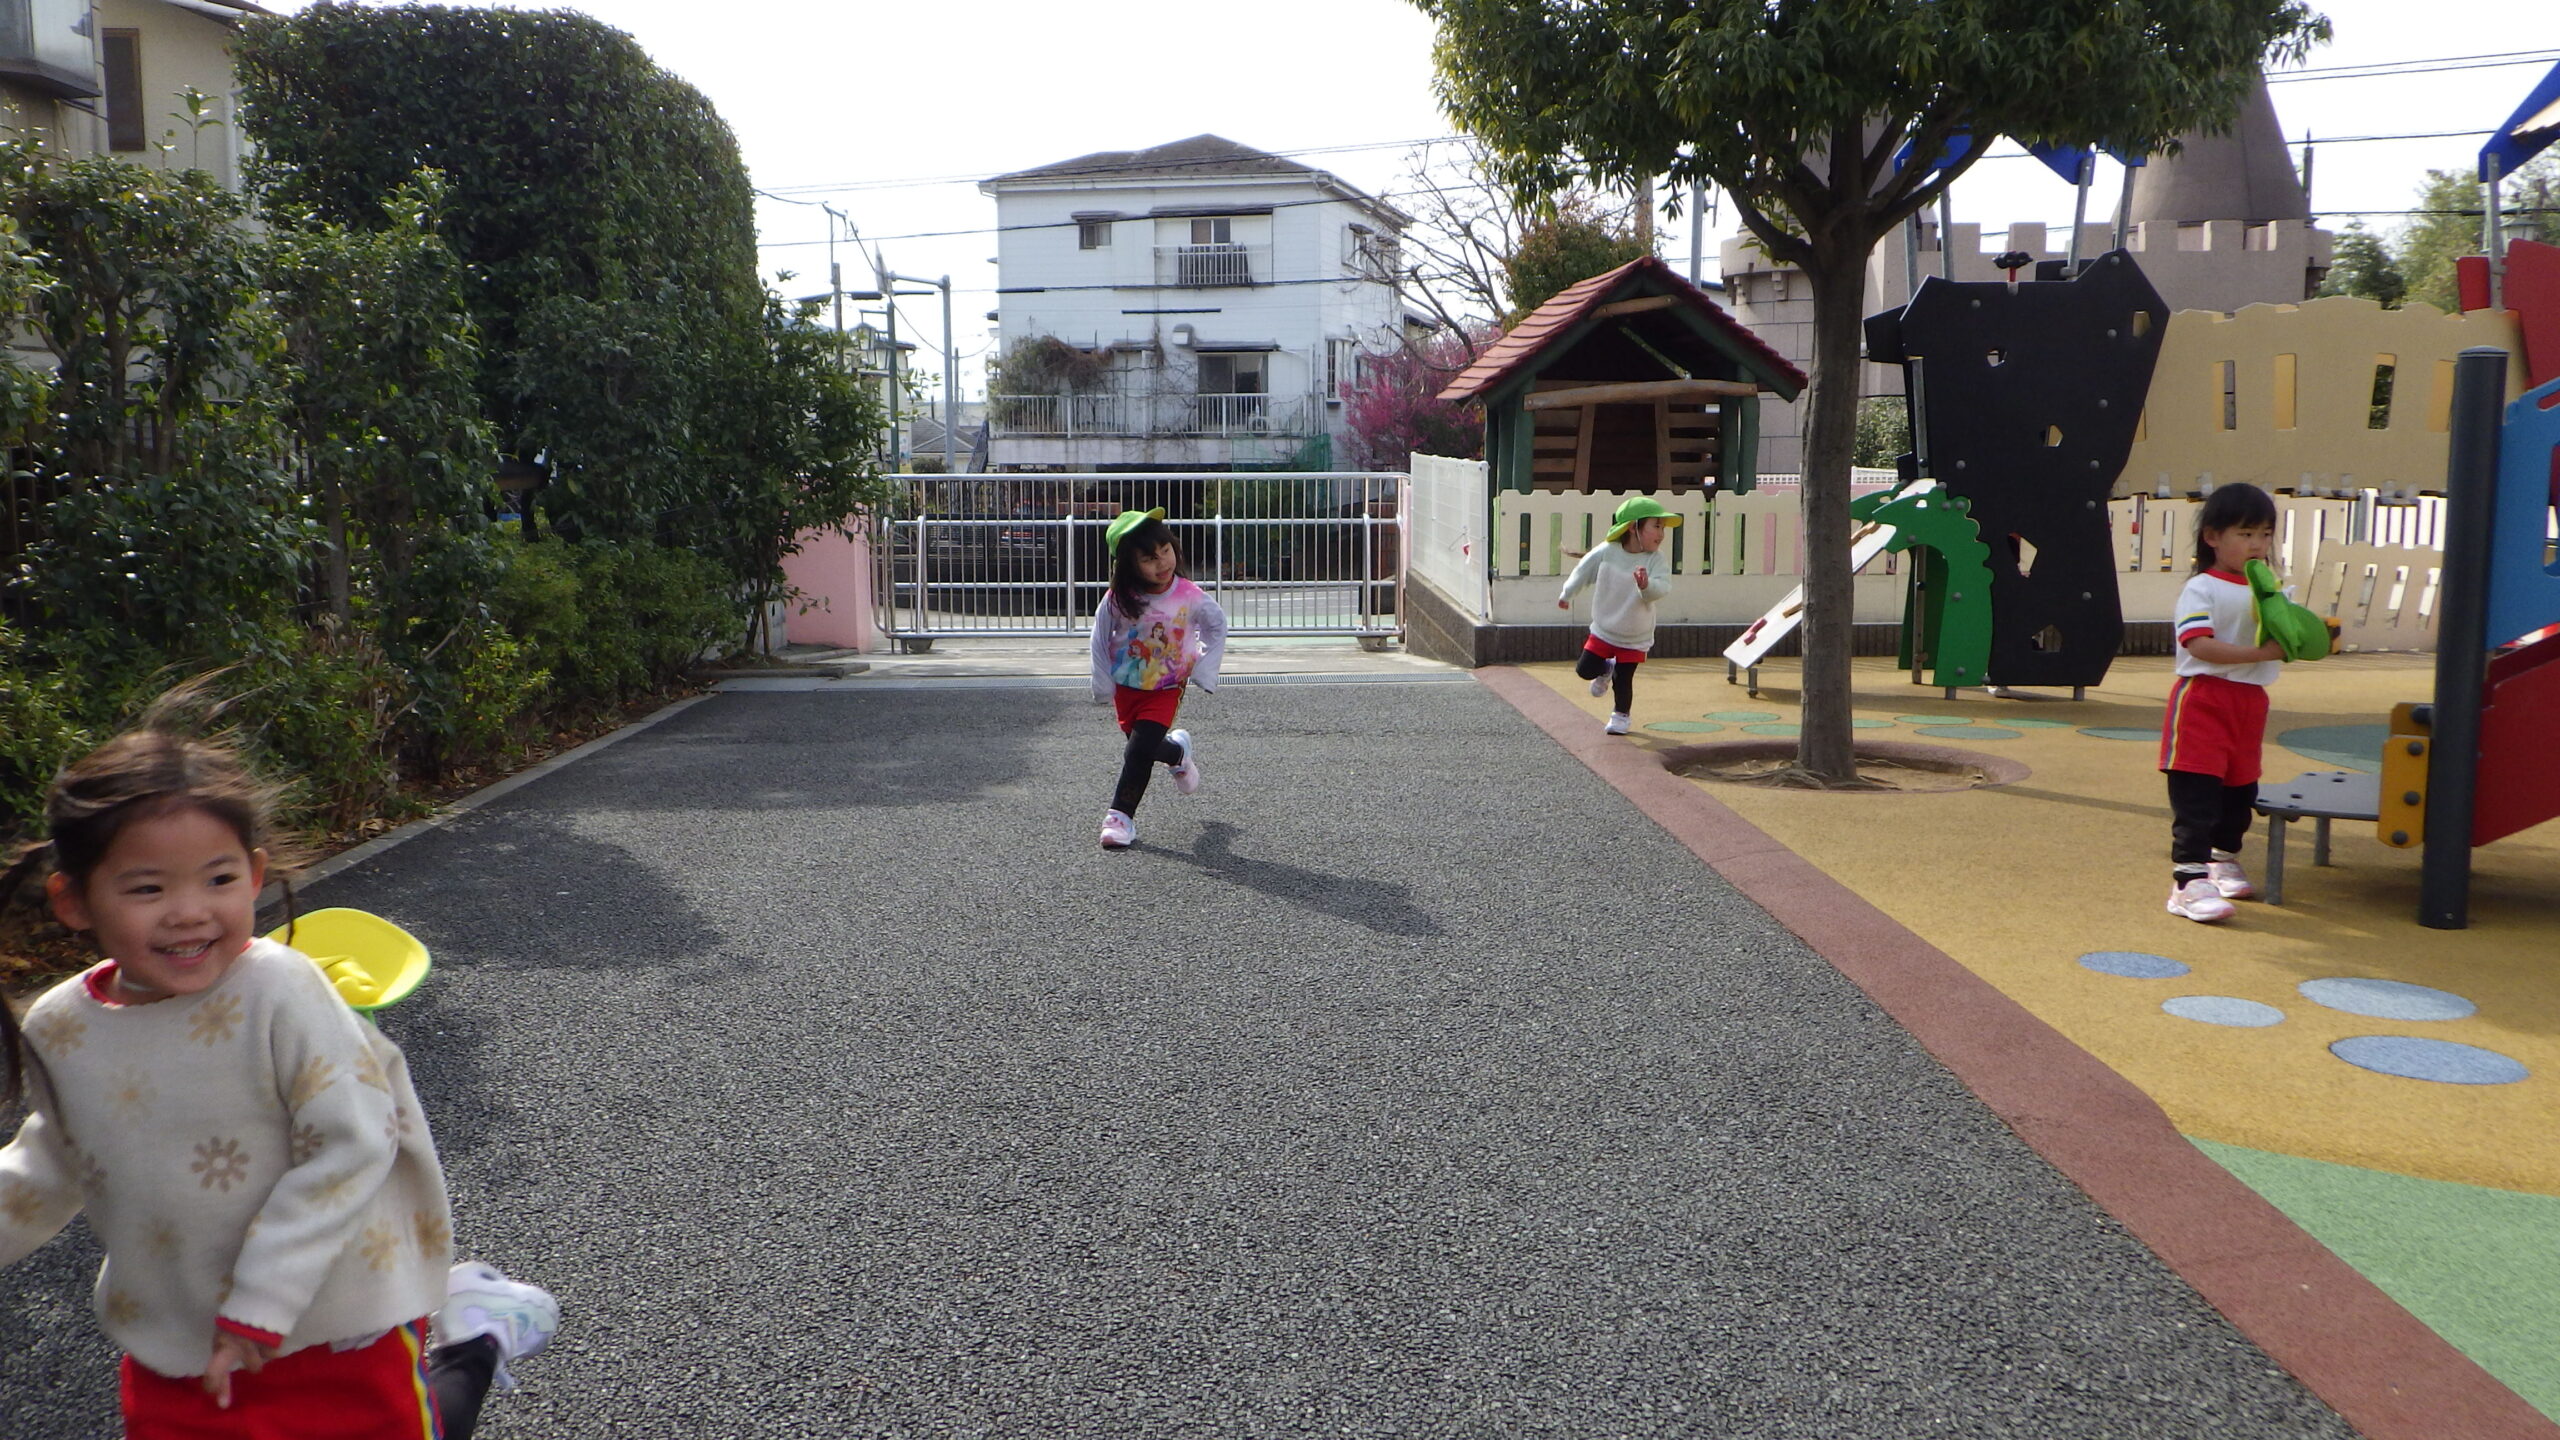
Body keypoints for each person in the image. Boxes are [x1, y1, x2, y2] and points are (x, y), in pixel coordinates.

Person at [0, 729, 558, 1438]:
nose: (189, 910)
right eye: (147, 888)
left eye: (219, 879)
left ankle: (478, 1338)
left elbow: (352, 1143)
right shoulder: (62, 1026)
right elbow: (50, 1162)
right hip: (179, 1342)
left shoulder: (279, 990)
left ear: (255, 874)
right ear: (74, 900)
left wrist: (261, 1302)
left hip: (335, 1321)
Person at [2158, 483, 2289, 923]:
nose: (2258, 545)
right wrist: (2261, 652)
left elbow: (2293, 639)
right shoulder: (2202, 588)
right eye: (2246, 534)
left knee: (2241, 790)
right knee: (2196, 791)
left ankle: (2222, 858)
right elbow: (2199, 645)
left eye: (2265, 534)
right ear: (2213, 537)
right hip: (2204, 698)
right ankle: (2188, 882)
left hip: (2250, 702)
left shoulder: (2272, 591)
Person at [1090, 508, 1227, 850]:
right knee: (1145, 748)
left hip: (1167, 684)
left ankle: (1120, 818)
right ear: (1129, 564)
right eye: (1149, 558)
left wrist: (1205, 669)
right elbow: (1099, 637)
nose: (1162, 562)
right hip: (1127, 686)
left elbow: (1216, 625)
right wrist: (1102, 682)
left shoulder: (1188, 595)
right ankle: (1177, 753)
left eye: (1165, 550)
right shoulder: (1119, 598)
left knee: (1137, 751)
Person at [1558, 495, 1680, 734]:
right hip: (1604, 629)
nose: (1662, 534)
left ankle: (1620, 717)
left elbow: (1663, 587)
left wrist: (1646, 585)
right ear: (1633, 527)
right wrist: (1567, 594)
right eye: (1656, 526)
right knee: (1585, 670)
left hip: (1635, 635)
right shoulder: (1607, 551)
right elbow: (1582, 571)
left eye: (1663, 528)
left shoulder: (1656, 559)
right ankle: (1606, 668)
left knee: (1623, 679)